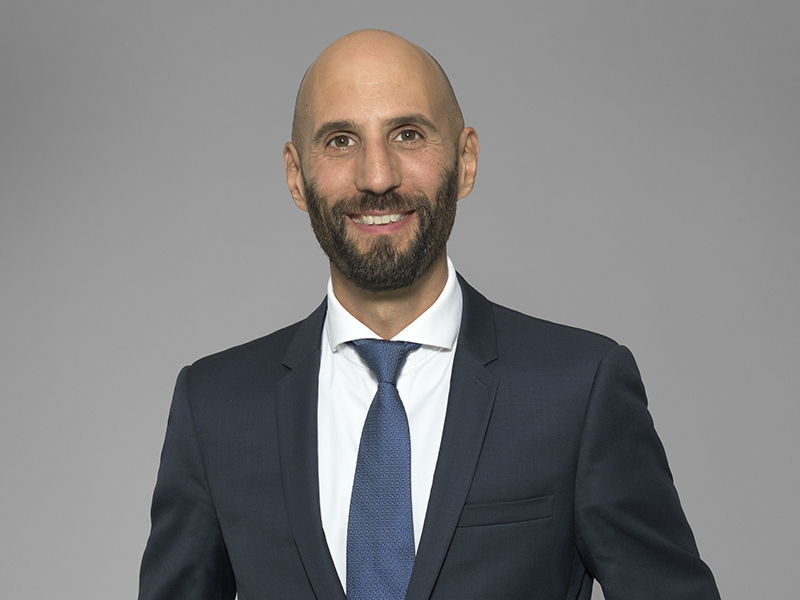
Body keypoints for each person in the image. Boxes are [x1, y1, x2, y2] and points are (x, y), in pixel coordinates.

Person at [139, 29, 720, 600]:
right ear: (296, 175)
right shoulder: (214, 408)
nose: (377, 177)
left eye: (408, 134)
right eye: (340, 140)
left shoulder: (579, 389)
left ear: (465, 161)